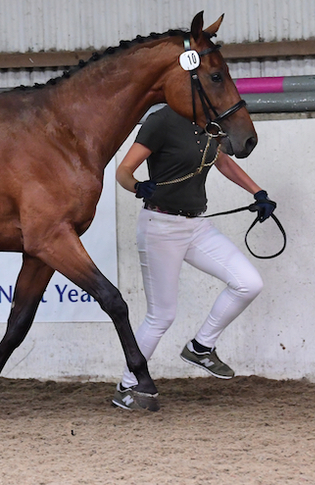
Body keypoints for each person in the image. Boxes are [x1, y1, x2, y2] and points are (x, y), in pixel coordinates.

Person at [111, 104, 276, 411]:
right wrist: (137, 186)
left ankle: (201, 346)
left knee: (248, 283)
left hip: (197, 226)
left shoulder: (210, 122)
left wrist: (258, 192)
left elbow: (221, 161)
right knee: (161, 316)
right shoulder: (161, 121)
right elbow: (123, 171)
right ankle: (127, 385)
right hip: (161, 227)